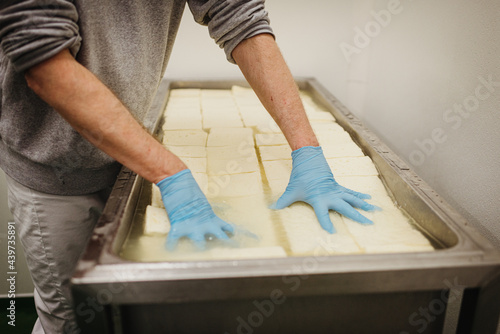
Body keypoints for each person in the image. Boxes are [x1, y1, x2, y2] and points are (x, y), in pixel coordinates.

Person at [0, 0, 378, 332]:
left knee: (125, 312)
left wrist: (307, 151)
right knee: (72, 319)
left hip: (132, 143)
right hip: (54, 171)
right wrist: (170, 173)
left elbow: (240, 15)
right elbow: (43, 58)